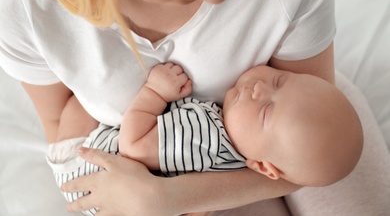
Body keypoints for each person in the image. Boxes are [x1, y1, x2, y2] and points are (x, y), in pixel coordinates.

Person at [0, 0, 389, 215]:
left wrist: (173, 197)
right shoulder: (25, 6)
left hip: (289, 137)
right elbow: (66, 137)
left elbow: (303, 162)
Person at [47, 62, 362, 215]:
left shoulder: (207, 134)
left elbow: (134, 145)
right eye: (279, 80)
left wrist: (154, 93)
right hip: (105, 197)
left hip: (82, 165)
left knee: (77, 102)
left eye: (266, 110)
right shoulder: (235, 157)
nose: (260, 89)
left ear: (265, 167)